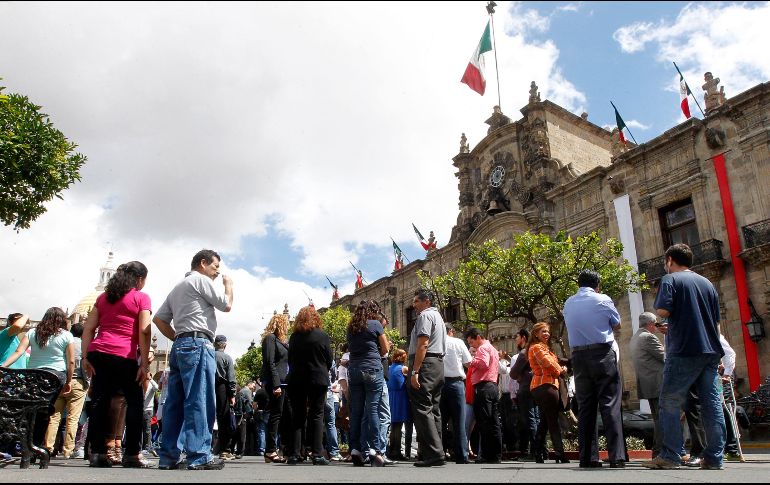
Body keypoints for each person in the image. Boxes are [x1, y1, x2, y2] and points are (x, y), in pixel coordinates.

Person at [644, 243, 726, 471]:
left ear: (669, 260)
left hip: (683, 350)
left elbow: (662, 311)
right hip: (710, 350)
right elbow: (715, 322)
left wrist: (668, 319)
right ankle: (714, 457)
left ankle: (670, 455)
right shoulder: (707, 283)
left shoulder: (670, 280)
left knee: (669, 401)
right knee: (711, 405)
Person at [152, 249, 234, 471]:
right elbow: (226, 305)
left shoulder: (178, 287)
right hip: (199, 344)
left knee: (175, 403)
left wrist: (177, 337)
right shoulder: (201, 280)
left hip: (180, 345)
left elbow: (159, 319)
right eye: (215, 267)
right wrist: (229, 285)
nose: (217, 272)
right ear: (203, 263)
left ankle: (168, 456)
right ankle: (199, 455)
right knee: (199, 399)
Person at [79, 262, 152, 468]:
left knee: (99, 403)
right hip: (124, 355)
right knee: (135, 403)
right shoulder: (141, 297)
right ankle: (132, 454)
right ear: (139, 279)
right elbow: (145, 330)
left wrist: (85, 358)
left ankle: (98, 454)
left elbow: (88, 329)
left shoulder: (103, 298)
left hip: (99, 353)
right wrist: (144, 364)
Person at [563, 269, 624, 468]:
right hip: (602, 353)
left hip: (578, 357)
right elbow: (617, 324)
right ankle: (616, 456)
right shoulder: (603, 299)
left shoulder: (568, 303)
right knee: (609, 404)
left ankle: (588, 457)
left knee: (586, 407)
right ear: (597, 285)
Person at [2, 307, 75, 452]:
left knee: (31, 409)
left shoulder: (32, 332)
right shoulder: (67, 335)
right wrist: (68, 381)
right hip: (55, 376)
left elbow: (19, 351)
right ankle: (36, 445)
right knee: (45, 410)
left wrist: (3, 367)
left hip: (34, 374)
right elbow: (71, 361)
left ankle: (26, 445)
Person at [286, 305, 333, 465]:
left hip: (297, 379)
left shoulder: (294, 337)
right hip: (317, 378)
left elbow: (290, 359)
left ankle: (294, 454)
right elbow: (329, 359)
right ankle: (317, 453)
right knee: (317, 415)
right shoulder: (322, 336)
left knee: (297, 416)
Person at [346, 300, 389, 467]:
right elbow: (385, 349)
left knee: (356, 411)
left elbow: (350, 348)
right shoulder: (375, 324)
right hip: (372, 368)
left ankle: (355, 449)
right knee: (372, 409)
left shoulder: (351, 327)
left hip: (355, 369)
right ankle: (376, 451)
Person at [407, 289, 446, 468]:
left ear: (426, 301)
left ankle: (434, 452)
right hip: (437, 364)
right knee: (434, 409)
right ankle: (435, 451)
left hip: (426, 364)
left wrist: (415, 371)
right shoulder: (439, 318)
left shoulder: (425, 316)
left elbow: (423, 344)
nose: (414, 305)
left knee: (422, 407)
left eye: (416, 301)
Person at [45, 322, 88, 460]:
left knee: (54, 417)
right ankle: (68, 450)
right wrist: (86, 384)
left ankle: (48, 447)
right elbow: (84, 367)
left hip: (60, 381)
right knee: (73, 419)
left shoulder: (63, 342)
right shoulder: (83, 345)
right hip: (77, 382)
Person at [527, 322, 569, 464]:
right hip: (545, 385)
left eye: (548, 332)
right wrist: (561, 371)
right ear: (536, 334)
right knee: (552, 421)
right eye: (543, 331)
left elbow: (551, 361)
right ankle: (559, 453)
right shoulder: (537, 347)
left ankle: (538, 452)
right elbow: (548, 363)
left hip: (545, 386)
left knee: (546, 420)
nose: (547, 334)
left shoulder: (543, 348)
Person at [630, 312, 665, 458]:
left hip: (648, 384)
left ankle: (659, 451)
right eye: (656, 324)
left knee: (658, 419)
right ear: (650, 324)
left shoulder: (635, 338)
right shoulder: (648, 337)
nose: (657, 327)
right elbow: (666, 357)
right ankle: (661, 452)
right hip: (658, 383)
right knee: (662, 419)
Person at [465, 327, 502, 464]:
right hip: (492, 386)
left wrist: (470, 361)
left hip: (483, 387)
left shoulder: (482, 348)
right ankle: (496, 454)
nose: (471, 345)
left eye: (471, 342)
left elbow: (483, 363)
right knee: (494, 422)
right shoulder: (492, 348)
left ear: (478, 337)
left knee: (484, 422)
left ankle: (486, 455)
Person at [261, 313, 290, 463]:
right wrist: (276, 384)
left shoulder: (280, 341)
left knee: (281, 415)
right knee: (275, 415)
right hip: (276, 382)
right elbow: (270, 362)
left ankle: (278, 449)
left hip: (284, 382)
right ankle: (270, 450)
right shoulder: (270, 338)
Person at [440, 323, 471, 464]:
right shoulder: (458, 342)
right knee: (459, 421)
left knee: (440, 421)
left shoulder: (436, 342)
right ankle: (461, 455)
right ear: (451, 331)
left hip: (439, 384)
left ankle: (439, 453)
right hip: (456, 384)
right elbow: (468, 363)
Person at [510, 328, 538, 460]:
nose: (515, 339)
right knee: (536, 419)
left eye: (517, 337)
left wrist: (520, 376)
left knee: (529, 420)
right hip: (536, 388)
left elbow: (513, 373)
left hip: (526, 389)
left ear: (523, 338)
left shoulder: (524, 353)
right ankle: (538, 449)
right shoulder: (536, 350)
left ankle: (534, 451)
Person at [214, 334, 237, 460]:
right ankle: (225, 450)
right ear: (225, 345)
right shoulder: (227, 358)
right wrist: (232, 394)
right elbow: (231, 378)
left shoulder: (209, 355)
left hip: (208, 387)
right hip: (222, 388)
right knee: (224, 419)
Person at [387, 349, 412, 461]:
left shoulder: (389, 368)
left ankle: (393, 450)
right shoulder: (404, 369)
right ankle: (398, 451)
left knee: (394, 425)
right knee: (400, 425)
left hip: (391, 397)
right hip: (401, 397)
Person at [232, 380, 255, 459]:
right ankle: (240, 452)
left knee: (234, 434)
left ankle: (231, 450)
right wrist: (249, 415)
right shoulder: (245, 392)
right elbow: (249, 404)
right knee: (242, 434)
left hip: (234, 416)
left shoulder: (235, 395)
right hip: (241, 416)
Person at [141, 376, 159, 457]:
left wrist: (150, 379)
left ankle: (147, 446)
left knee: (147, 429)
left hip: (148, 410)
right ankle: (141, 447)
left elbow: (157, 387)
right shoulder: (141, 384)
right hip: (140, 409)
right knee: (140, 429)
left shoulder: (151, 385)